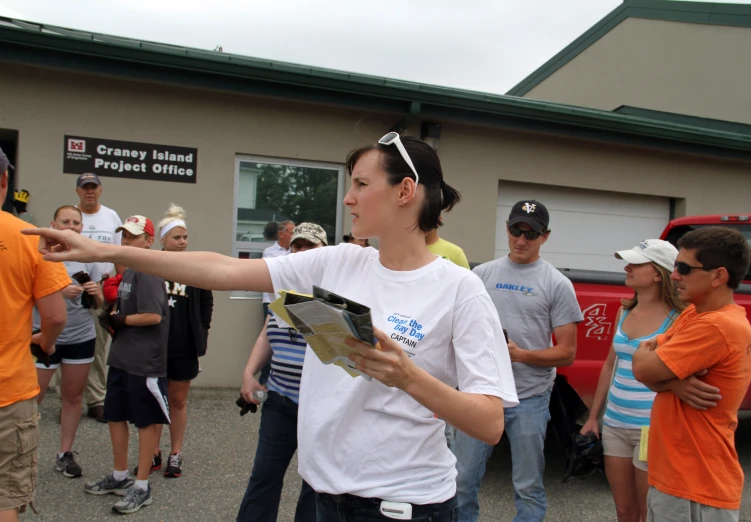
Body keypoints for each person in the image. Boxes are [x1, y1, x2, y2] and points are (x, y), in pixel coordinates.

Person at [27, 132, 518, 522]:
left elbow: (489, 423)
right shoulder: (339, 261)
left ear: (405, 191)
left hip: (405, 506)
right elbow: (220, 270)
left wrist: (408, 377)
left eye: (362, 185)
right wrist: (105, 251)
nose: (348, 199)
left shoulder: (460, 289)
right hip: (324, 495)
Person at [454, 199, 584, 522]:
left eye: (531, 233)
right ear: (507, 229)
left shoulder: (557, 284)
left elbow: (567, 352)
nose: (521, 239)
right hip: (481, 393)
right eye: (516, 230)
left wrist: (520, 355)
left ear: (545, 236)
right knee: (460, 481)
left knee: (527, 486)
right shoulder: (480, 275)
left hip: (529, 397)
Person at [633, 228, 751, 522]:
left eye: (684, 268)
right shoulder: (694, 313)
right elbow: (641, 357)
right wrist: (675, 382)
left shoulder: (715, 326)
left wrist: (660, 370)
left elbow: (643, 367)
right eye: (675, 266)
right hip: (679, 481)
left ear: (718, 276)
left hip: (693, 486)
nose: (674, 276)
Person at [579, 239, 685, 522]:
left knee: (647, 511)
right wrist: (593, 417)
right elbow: (609, 365)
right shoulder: (624, 310)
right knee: (624, 511)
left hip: (651, 427)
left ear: (658, 274)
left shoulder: (679, 319)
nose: (626, 267)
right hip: (615, 424)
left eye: (636, 264)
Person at [237, 223, 328, 522]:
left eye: (309, 247)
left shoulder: (332, 296)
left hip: (318, 406)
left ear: (323, 252)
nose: (301, 252)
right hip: (279, 398)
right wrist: (250, 372)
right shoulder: (284, 292)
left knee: (314, 487)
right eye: (297, 246)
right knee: (263, 477)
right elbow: (267, 333)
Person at [82, 215, 170, 515]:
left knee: (145, 422)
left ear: (148, 240)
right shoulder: (129, 271)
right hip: (121, 357)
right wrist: (112, 318)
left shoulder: (148, 271)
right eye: (124, 236)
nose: (127, 241)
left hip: (144, 362)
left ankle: (142, 485)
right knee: (115, 415)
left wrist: (122, 320)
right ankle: (120, 476)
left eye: (134, 236)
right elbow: (128, 312)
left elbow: (154, 316)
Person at [0, 147, 70, 521]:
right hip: (9, 389)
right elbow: (56, 316)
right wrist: (45, 341)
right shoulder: (26, 235)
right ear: (5, 181)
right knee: (6, 498)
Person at [33, 205, 105, 479]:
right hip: (44, 335)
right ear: (53, 224)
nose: (72, 226)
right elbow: (26, 294)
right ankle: (17, 452)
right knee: (31, 400)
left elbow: (98, 305)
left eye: (76, 222)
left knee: (73, 397)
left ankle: (65, 453)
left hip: (80, 336)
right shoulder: (41, 253)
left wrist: (94, 292)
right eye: (66, 221)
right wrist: (58, 291)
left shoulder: (89, 255)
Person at [143, 205, 213, 479]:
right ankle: (152, 452)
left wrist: (201, 334)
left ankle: (175, 453)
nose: (182, 242)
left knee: (178, 400)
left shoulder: (195, 267)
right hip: (154, 347)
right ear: (163, 240)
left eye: (185, 237)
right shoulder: (150, 266)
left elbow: (206, 302)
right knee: (154, 401)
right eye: (176, 238)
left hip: (183, 347)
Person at [75, 173, 123, 423]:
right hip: (71, 289)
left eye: (94, 187)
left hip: (100, 290)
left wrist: (120, 288)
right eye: (85, 188)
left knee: (98, 346)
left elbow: (118, 254)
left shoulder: (111, 216)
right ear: (78, 192)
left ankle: (96, 401)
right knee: (67, 343)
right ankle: (69, 400)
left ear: (100, 191)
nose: (90, 192)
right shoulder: (70, 216)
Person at [259, 220, 296, 385]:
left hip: (293, 301)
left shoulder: (296, 251)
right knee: (271, 341)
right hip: (272, 302)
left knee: (288, 344)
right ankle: (265, 380)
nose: (294, 236)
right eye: (291, 232)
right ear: (281, 234)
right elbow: (272, 277)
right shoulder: (270, 252)